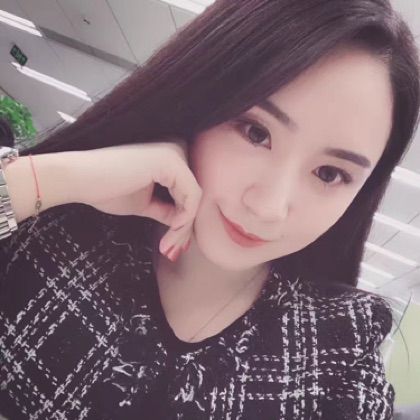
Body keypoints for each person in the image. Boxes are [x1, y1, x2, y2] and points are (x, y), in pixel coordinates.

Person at [0, 0, 419, 419]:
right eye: (256, 133)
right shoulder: (59, 228)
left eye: (329, 174)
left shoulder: (339, 347)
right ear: (202, 97)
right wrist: (52, 180)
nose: (269, 207)